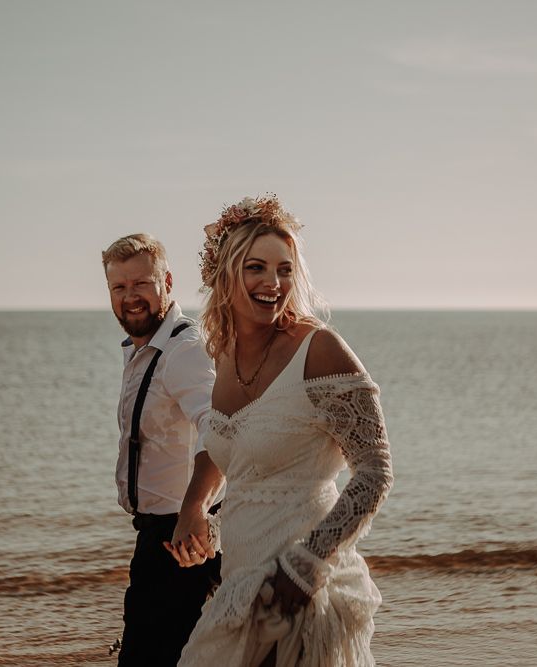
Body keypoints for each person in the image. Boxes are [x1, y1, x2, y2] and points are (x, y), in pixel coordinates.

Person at [165, 196, 394, 666]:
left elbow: (375, 472)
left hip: (299, 596)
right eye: (256, 268)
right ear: (226, 276)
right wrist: (205, 523)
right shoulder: (224, 355)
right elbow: (250, 471)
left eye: (284, 270)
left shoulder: (320, 351)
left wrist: (306, 566)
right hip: (239, 587)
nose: (273, 283)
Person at [102, 233, 222, 667]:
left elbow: (219, 432)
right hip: (158, 535)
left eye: (141, 284)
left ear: (167, 282)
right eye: (119, 287)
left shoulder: (184, 350)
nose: (130, 297)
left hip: (181, 540)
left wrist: (195, 510)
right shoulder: (142, 349)